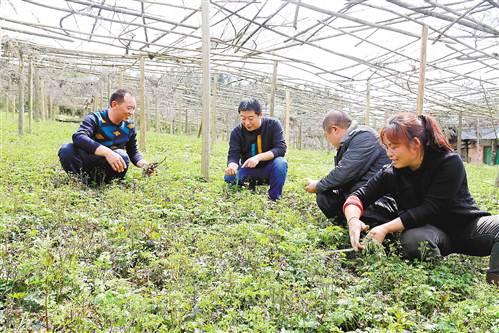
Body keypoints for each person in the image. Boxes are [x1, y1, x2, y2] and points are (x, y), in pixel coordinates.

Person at [343, 113, 499, 285]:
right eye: (386, 147)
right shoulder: (392, 173)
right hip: (430, 232)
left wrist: (385, 228)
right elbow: (358, 196)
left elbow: (431, 208)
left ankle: (495, 283)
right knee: (413, 240)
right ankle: (436, 276)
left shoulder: (449, 163)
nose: (389, 153)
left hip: (465, 228)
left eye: (394, 147)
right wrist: (353, 220)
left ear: (415, 144)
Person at [305, 110, 397, 226]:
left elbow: (344, 173)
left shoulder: (364, 137)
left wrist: (318, 185)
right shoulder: (350, 142)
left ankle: (370, 228)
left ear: (334, 129)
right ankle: (350, 227)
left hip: (378, 201)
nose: (327, 140)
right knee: (324, 197)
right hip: (358, 197)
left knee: (323, 190)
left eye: (326, 135)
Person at [58, 89, 153, 184]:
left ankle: (104, 184)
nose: (132, 112)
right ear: (114, 104)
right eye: (129, 108)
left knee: (122, 156)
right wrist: (107, 152)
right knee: (66, 149)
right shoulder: (95, 118)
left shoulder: (129, 126)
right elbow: (79, 137)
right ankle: (80, 180)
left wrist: (145, 165)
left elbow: (133, 152)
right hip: (88, 160)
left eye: (134, 109)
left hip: (108, 168)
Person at [224, 98, 288, 201]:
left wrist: (258, 157)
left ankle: (274, 198)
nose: (247, 123)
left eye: (251, 118)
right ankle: (248, 188)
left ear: (260, 115)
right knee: (229, 177)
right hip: (249, 170)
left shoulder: (273, 125)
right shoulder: (237, 132)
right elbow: (233, 155)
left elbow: (280, 148)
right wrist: (232, 166)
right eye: (243, 118)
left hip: (269, 170)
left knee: (281, 163)